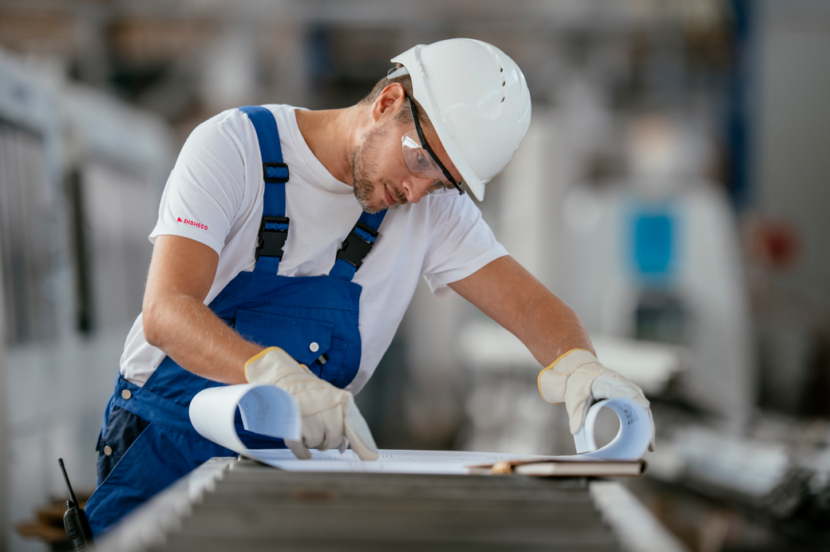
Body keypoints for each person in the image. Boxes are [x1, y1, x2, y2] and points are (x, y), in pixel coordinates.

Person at [84, 38, 653, 536]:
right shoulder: (236, 149)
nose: (416, 191)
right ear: (387, 103)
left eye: (443, 182)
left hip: (290, 467)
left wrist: (581, 366)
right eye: (419, 161)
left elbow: (530, 306)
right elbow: (167, 310)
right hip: (163, 444)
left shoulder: (431, 207)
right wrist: (274, 374)